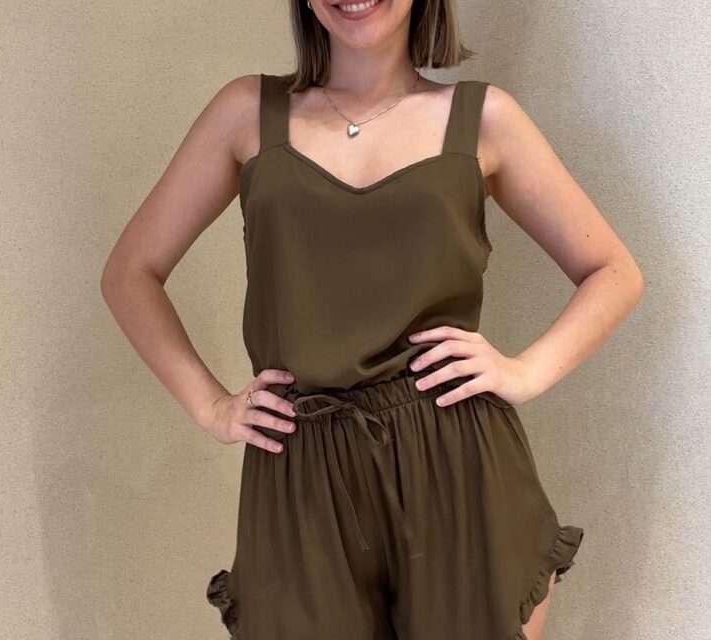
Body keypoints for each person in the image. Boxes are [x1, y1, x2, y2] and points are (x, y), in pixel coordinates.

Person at [101, 1, 644, 638]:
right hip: (300, 466)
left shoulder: (482, 118)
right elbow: (131, 272)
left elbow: (613, 271)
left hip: (452, 459)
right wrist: (210, 406)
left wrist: (524, 371)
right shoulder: (245, 113)